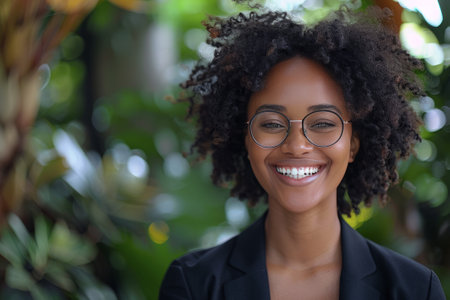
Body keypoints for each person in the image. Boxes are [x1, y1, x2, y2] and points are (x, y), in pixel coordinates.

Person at [159, 7, 446, 300]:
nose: (296, 146)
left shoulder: (414, 290)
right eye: (271, 123)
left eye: (322, 123)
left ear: (354, 144)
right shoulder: (193, 285)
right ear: (246, 139)